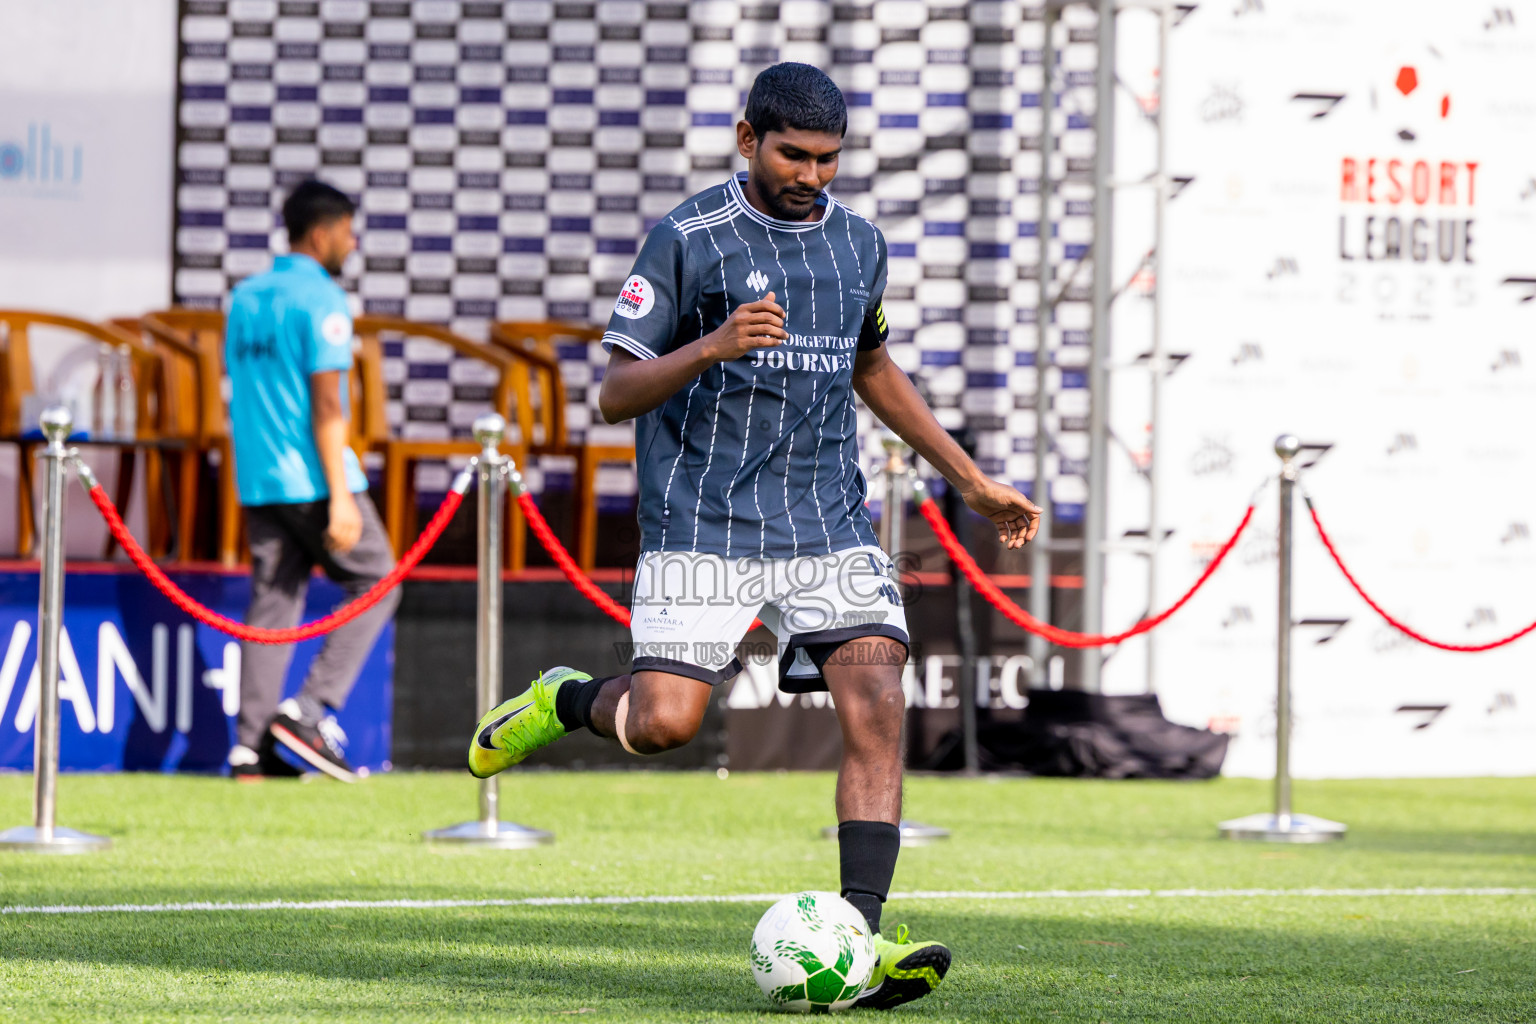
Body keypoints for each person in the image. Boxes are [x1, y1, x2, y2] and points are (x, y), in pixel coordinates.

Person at [466, 64, 1040, 1008]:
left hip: (826, 518)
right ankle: (567, 702)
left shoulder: (860, 245)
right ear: (748, 140)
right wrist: (714, 344)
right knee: (663, 725)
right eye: (793, 154)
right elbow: (613, 394)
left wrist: (970, 480)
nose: (812, 173)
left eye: (827, 158)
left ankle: (860, 936)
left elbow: (872, 365)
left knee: (876, 698)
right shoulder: (688, 239)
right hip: (703, 520)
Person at [222, 179, 399, 783]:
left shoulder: (244, 297)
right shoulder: (322, 299)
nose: (352, 243)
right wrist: (342, 497)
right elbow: (328, 407)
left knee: (271, 608)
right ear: (322, 233)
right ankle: (306, 713)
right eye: (348, 231)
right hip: (316, 480)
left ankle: (249, 751)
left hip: (259, 478)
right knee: (379, 580)